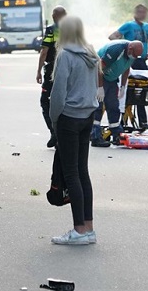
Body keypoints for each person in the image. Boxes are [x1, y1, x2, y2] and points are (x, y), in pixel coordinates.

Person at [48, 15, 100, 245]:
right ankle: (88, 228)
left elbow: (59, 92)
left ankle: (78, 230)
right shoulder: (91, 54)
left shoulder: (66, 55)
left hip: (69, 118)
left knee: (71, 175)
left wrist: (54, 119)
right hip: (87, 116)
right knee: (82, 172)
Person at [108, 4, 148, 130]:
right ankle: (122, 120)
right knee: (128, 89)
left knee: (142, 89)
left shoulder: (147, 27)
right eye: (139, 12)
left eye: (144, 12)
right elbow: (112, 36)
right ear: (135, 13)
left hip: (142, 60)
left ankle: (143, 121)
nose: (141, 14)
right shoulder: (128, 25)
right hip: (130, 58)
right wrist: (122, 46)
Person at [91, 40, 144, 147]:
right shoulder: (115, 50)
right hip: (99, 77)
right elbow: (99, 68)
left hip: (112, 79)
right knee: (98, 107)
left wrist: (123, 86)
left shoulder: (131, 55)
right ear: (130, 49)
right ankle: (95, 136)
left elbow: (126, 68)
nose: (134, 57)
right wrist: (100, 87)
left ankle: (117, 134)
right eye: (134, 55)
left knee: (113, 106)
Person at [36, 6, 67, 148]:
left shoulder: (52, 29)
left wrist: (38, 70)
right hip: (70, 69)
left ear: (54, 16)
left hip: (52, 69)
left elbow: (44, 51)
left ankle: (54, 132)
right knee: (66, 101)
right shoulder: (74, 29)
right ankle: (64, 134)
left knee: (46, 101)